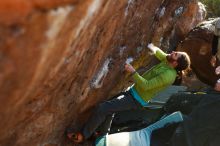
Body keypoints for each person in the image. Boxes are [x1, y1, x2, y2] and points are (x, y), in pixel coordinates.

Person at [67, 43, 191, 143]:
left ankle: (82, 136)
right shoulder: (168, 61)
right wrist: (150, 45)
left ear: (175, 64)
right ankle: (102, 137)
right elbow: (160, 53)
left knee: (103, 108)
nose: (172, 52)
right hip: (132, 92)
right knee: (109, 109)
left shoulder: (168, 75)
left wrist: (133, 72)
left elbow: (147, 86)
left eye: (175, 54)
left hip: (136, 100)